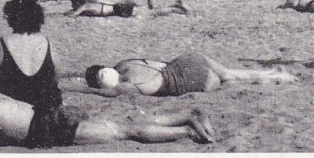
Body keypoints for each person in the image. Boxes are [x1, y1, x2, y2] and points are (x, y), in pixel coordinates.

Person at [0, 75, 214, 148]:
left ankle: (186, 129)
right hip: (53, 114)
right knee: (123, 123)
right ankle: (185, 115)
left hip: (48, 128)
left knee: (124, 132)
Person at [75, 52, 296, 97]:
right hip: (188, 61)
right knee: (229, 73)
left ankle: (274, 78)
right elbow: (158, 62)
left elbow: (104, 93)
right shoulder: (126, 63)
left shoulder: (126, 88)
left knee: (226, 80)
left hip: (187, 82)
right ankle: (270, 72)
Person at [0, 0, 64, 108]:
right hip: (46, 109)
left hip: (14, 109)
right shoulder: (48, 43)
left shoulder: (0, 44)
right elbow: (55, 79)